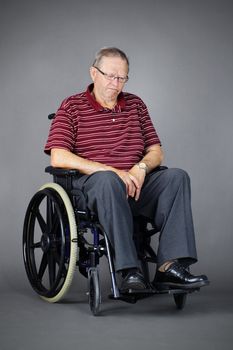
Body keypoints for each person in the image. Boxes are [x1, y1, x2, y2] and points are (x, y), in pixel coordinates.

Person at [44, 47, 209, 291]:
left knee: (176, 177)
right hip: (93, 188)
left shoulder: (136, 105)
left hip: (135, 184)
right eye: (110, 75)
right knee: (108, 179)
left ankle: (169, 268)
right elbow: (58, 157)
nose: (116, 82)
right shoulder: (72, 106)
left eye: (122, 77)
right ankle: (128, 269)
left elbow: (156, 152)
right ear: (93, 73)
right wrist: (109, 171)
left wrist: (141, 168)